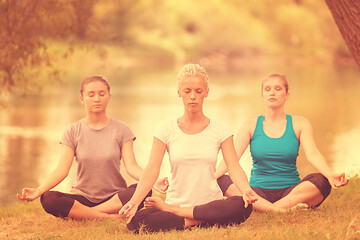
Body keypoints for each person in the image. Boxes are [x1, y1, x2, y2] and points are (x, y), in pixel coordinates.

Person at [118, 64, 258, 233]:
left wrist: (246, 190)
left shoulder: (221, 129)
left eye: (198, 91)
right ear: (179, 92)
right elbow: (152, 169)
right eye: (187, 91)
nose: (193, 96)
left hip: (209, 204)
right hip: (177, 201)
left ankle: (180, 215)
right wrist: (134, 202)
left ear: (206, 92)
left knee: (242, 205)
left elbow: (234, 166)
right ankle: (203, 219)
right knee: (136, 221)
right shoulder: (165, 129)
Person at [17, 75, 168, 219]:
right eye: (91, 94)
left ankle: (84, 214)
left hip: (114, 197)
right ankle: (109, 217)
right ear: (82, 99)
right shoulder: (72, 131)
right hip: (82, 197)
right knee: (48, 198)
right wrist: (39, 190)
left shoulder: (122, 130)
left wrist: (152, 180)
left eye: (102, 94)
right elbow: (62, 169)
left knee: (144, 189)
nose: (97, 99)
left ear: (109, 97)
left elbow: (132, 167)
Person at [215, 73, 349, 212]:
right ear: (262, 96)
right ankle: (280, 210)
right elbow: (231, 159)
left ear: (287, 94)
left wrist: (329, 174)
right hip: (257, 193)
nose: (272, 92)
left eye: (278, 89)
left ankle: (264, 209)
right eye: (267, 89)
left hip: (291, 192)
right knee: (222, 181)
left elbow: (313, 154)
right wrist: (213, 177)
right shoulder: (250, 126)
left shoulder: (300, 123)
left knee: (321, 180)